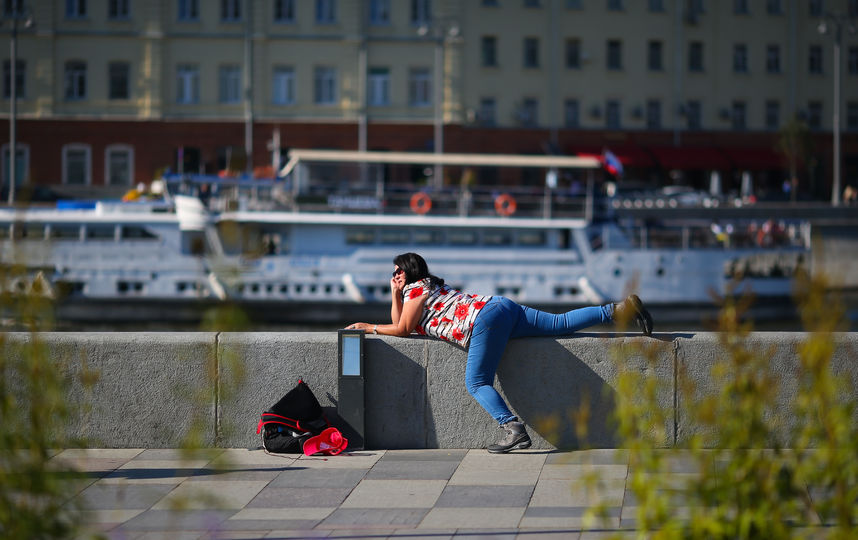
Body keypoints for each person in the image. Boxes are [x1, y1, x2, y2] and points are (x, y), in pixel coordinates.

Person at [345, 252, 654, 453]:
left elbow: (400, 329)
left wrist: (366, 326)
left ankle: (513, 428)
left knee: (476, 382)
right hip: (499, 306)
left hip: (483, 321)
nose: (394, 275)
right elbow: (401, 321)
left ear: (407, 271)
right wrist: (394, 293)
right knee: (559, 323)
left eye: (397, 271)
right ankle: (619, 309)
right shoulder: (426, 287)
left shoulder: (416, 290)